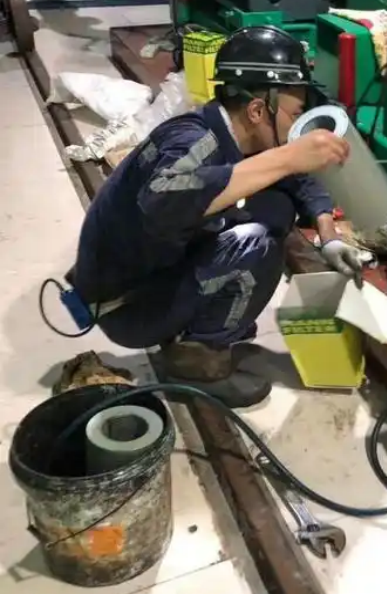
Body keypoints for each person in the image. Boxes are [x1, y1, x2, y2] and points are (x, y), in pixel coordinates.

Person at [69, 26, 363, 408]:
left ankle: (205, 322)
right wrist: (288, 157)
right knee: (257, 242)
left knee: (275, 204)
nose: (299, 127)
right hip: (126, 306)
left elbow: (295, 179)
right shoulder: (194, 140)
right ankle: (197, 362)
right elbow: (161, 201)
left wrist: (329, 235)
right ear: (257, 110)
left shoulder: (238, 133)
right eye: (295, 114)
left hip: (148, 277)